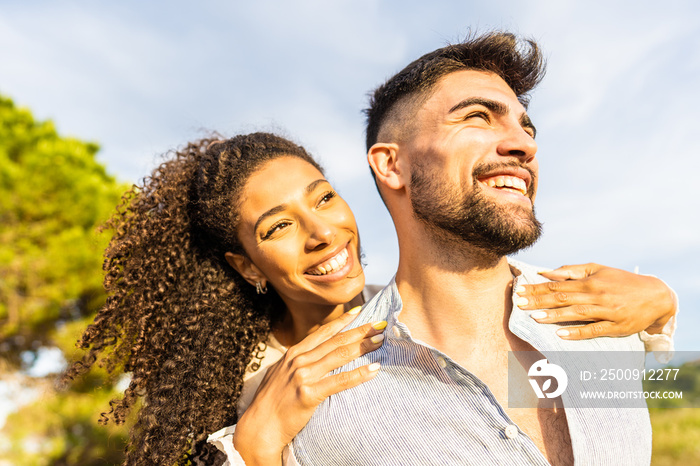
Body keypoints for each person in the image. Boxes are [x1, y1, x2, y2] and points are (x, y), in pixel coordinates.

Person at [64, 130, 675, 464]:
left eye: (324, 197)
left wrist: (660, 302)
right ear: (244, 264)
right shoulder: (247, 392)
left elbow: (586, 402)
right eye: (278, 227)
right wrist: (255, 444)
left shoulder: (410, 316)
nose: (323, 233)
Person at [270, 32, 677, 465]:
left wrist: (664, 300)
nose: (525, 145)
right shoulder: (318, 406)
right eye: (478, 117)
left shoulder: (609, 320)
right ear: (392, 165)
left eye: (526, 126)